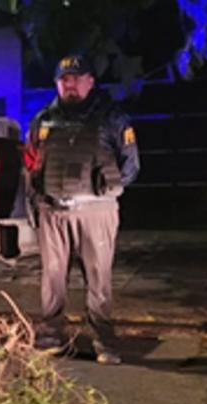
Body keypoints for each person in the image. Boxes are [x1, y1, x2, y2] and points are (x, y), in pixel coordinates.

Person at [24, 55, 140, 364]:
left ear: (90, 81)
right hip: (53, 212)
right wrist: (35, 204)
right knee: (52, 278)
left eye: (76, 78)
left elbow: (130, 164)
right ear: (56, 84)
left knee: (98, 277)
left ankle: (104, 341)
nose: (70, 84)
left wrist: (107, 187)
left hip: (95, 212)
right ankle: (51, 336)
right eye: (64, 80)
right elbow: (31, 164)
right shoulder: (43, 120)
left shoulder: (112, 118)